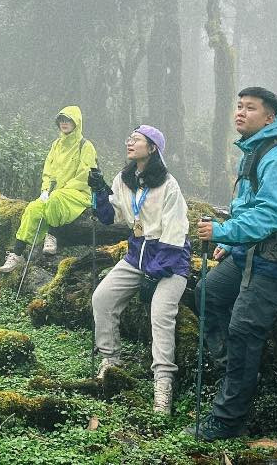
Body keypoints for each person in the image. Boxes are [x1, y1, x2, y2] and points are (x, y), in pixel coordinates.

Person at [185, 86, 277, 440]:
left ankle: (228, 419)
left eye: (250, 108)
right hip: (253, 251)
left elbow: (271, 215)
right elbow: (246, 209)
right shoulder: (253, 151)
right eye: (239, 106)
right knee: (206, 294)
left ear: (269, 118)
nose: (240, 112)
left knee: (242, 329)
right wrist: (231, 241)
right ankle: (236, 373)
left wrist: (223, 231)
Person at [87, 125, 191, 414]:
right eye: (129, 138)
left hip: (170, 260)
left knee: (161, 314)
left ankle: (163, 383)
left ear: (153, 148)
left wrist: (154, 274)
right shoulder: (125, 179)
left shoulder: (168, 185)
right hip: (137, 255)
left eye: (136, 140)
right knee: (102, 298)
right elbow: (110, 216)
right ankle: (110, 360)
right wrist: (100, 191)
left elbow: (176, 233)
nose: (130, 143)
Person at [0, 105, 97, 272]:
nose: (64, 123)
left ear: (77, 122)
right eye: (61, 120)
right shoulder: (56, 145)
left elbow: (85, 175)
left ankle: (52, 235)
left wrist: (61, 190)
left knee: (56, 198)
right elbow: (48, 172)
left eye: (68, 120)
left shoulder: (86, 146)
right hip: (54, 194)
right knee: (33, 208)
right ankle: (17, 254)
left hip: (79, 194)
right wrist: (45, 191)